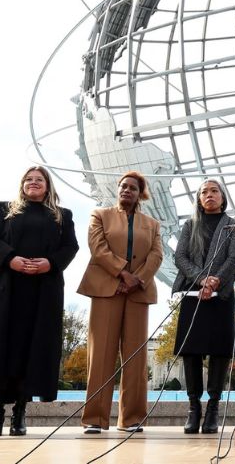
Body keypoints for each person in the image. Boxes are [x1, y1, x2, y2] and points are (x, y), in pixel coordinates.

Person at [0, 166, 80, 436]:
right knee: (0, 347)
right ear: (22, 184)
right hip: (6, 287)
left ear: (48, 186)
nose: (33, 182)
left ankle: (20, 412)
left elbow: (70, 246)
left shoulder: (62, 215)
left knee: (31, 348)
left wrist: (51, 263)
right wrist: (10, 258)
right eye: (29, 179)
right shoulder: (3, 209)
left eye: (39, 179)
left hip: (43, 290)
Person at [77, 171, 164, 434]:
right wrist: (122, 273)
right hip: (107, 289)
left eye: (133, 188)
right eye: (123, 186)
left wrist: (138, 279)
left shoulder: (152, 224)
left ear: (140, 194)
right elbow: (97, 247)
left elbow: (156, 255)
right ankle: (95, 418)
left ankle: (132, 418)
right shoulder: (100, 215)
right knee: (101, 354)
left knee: (135, 357)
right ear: (117, 189)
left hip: (138, 292)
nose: (127, 190)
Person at [170, 178, 235, 434]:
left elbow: (234, 257)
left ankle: (212, 408)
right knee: (191, 351)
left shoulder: (232, 226)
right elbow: (180, 257)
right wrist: (201, 279)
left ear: (222, 197)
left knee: (219, 352)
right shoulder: (190, 225)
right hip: (193, 295)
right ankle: (193, 408)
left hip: (221, 296)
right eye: (204, 192)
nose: (209, 195)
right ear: (199, 199)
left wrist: (215, 281)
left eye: (214, 191)